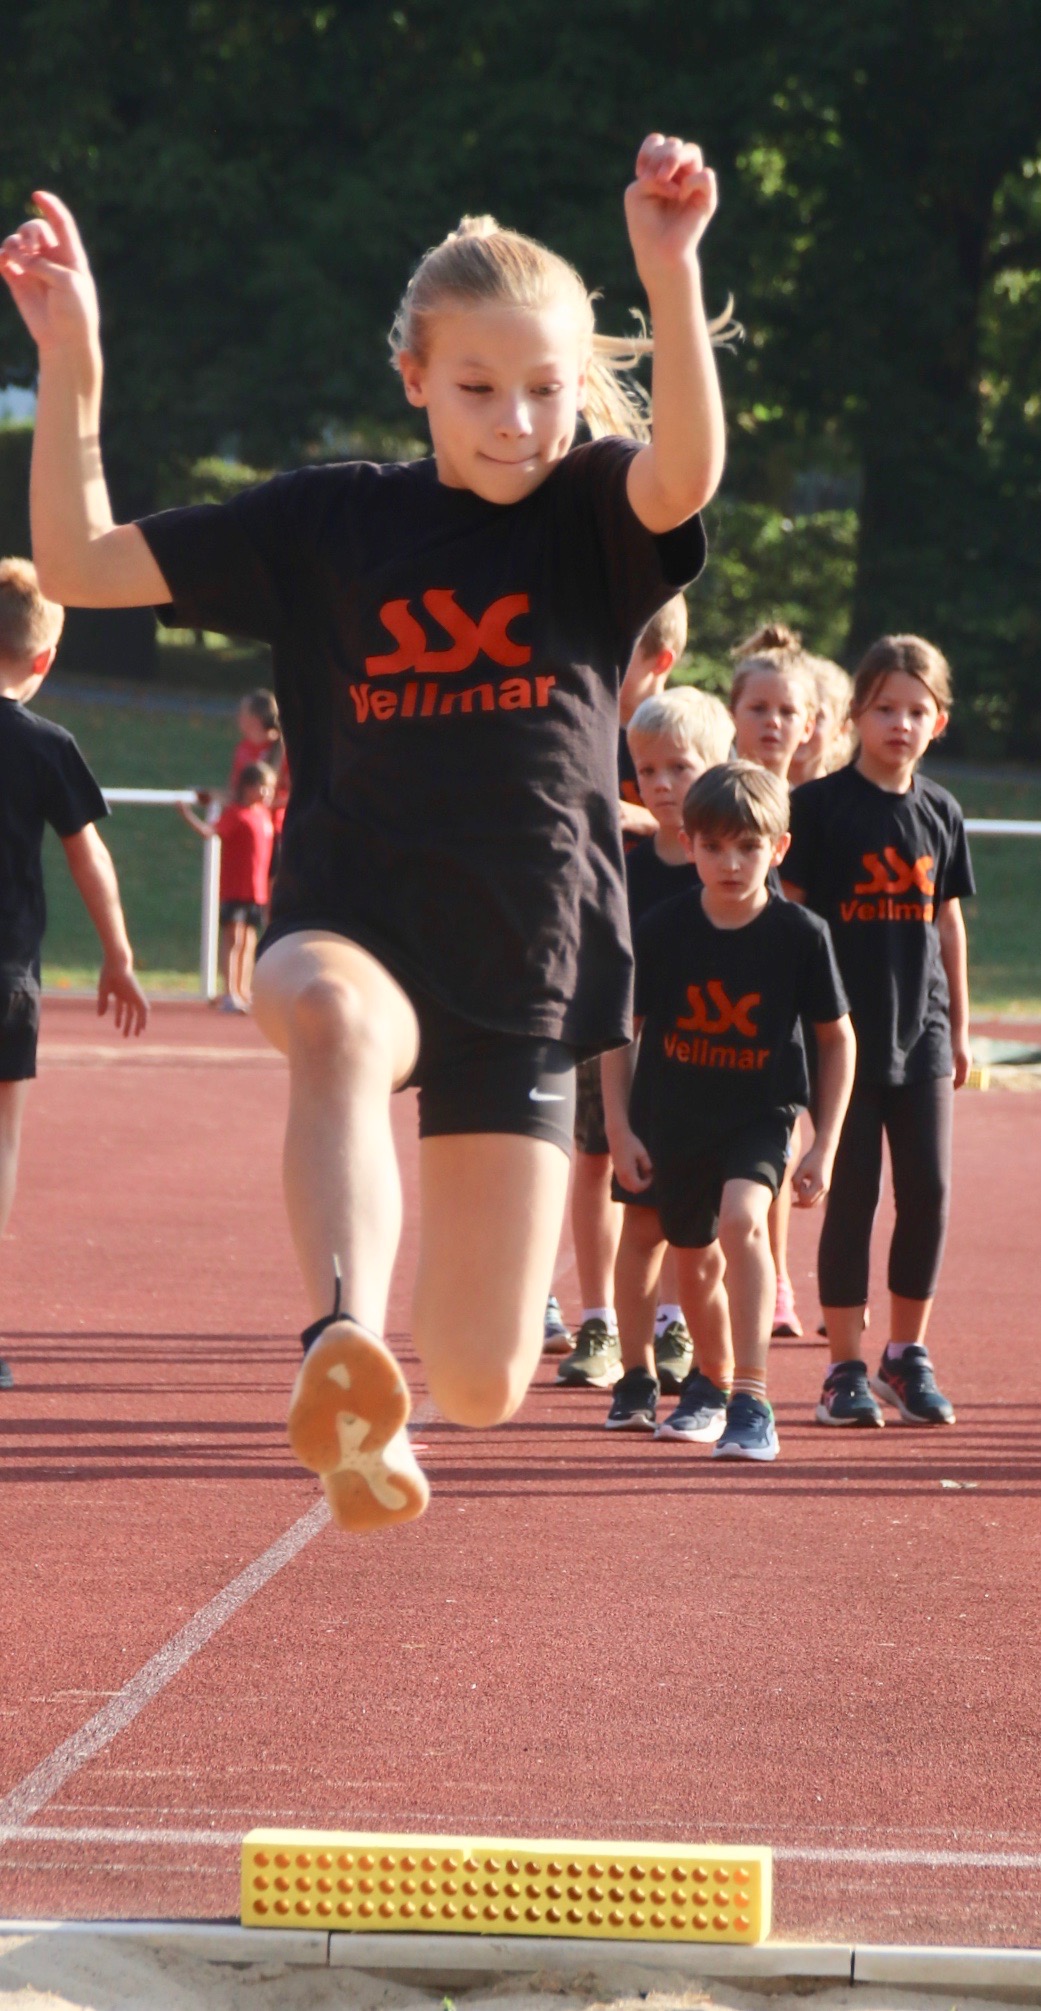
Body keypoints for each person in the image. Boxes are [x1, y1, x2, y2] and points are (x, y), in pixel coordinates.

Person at [2, 133, 727, 1529]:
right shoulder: (328, 521)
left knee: (484, 1377)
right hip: (358, 918)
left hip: (526, 964)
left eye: (546, 388)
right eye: (477, 387)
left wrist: (670, 271)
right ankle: (338, 1340)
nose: (516, 420)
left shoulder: (591, 513)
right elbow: (82, 559)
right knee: (329, 1017)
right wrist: (72, 355)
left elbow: (684, 470)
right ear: (413, 379)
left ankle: (400, 1394)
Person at [602, 762, 854, 1458]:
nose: (731, 862)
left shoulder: (801, 934)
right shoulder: (663, 928)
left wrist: (824, 1142)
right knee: (693, 1263)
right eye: (713, 846)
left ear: (779, 848)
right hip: (673, 1117)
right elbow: (621, 1032)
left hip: (759, 1114)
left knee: (742, 1220)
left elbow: (837, 1038)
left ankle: (751, 1398)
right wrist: (619, 1126)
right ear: (688, 845)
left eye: (748, 846)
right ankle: (708, 1383)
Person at [783, 635, 974, 1428]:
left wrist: (958, 1026)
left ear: (938, 721)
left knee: (927, 1190)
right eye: (884, 707)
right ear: (856, 714)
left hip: (920, 1031)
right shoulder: (818, 808)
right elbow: (790, 918)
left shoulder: (940, 811)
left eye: (916, 710)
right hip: (841, 1039)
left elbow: (947, 922)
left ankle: (904, 1353)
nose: (900, 723)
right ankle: (843, 1368)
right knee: (852, 1194)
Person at [0, 558, 148, 1388]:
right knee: (2, 1139)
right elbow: (89, 857)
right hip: (6, 973)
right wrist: (117, 956)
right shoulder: (45, 745)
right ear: (44, 658)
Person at [561, 684, 731, 1399]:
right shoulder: (622, 864)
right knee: (598, 1161)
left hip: (697, 1056)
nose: (660, 784)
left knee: (685, 1188)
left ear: (716, 766)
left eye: (679, 767)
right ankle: (599, 1321)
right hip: (619, 1044)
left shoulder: (729, 867)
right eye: (647, 770)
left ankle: (672, 1323)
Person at [728, 623, 819, 1339]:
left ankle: (779, 1278)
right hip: (718, 996)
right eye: (758, 708)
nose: (772, 723)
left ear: (810, 723)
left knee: (776, 1142)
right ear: (733, 713)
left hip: (787, 1003)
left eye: (787, 711)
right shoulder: (718, 798)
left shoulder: (819, 807)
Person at [178, 761, 276, 1010]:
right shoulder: (235, 814)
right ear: (249, 787)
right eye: (262, 787)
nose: (267, 794)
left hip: (256, 891)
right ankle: (230, 993)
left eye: (270, 788)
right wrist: (186, 814)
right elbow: (209, 832)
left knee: (249, 940)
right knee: (234, 939)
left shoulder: (263, 814)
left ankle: (243, 990)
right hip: (236, 889)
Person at [788, 656, 855, 787]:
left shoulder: (848, 795)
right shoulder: (750, 791)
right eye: (790, 712)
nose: (804, 728)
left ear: (842, 727)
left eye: (817, 717)